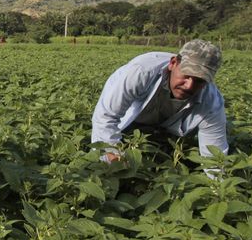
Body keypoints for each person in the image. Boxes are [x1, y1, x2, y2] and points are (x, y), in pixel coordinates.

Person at [91, 39, 228, 162]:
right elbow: (106, 117)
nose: (189, 85)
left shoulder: (212, 102)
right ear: (173, 63)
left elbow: (215, 156)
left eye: (199, 81)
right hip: (130, 114)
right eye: (187, 75)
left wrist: (220, 186)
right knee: (111, 157)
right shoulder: (140, 72)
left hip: (165, 125)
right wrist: (113, 158)